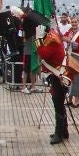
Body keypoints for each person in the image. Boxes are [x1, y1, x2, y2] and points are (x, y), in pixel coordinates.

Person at [30, 9, 71, 145]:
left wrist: (38, 39)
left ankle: (59, 133)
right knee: (59, 103)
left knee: (58, 103)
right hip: (58, 74)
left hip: (60, 75)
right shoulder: (52, 35)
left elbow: (43, 54)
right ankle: (63, 131)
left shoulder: (52, 39)